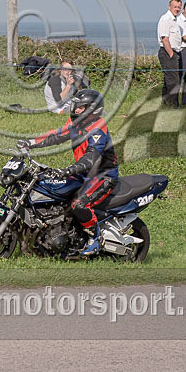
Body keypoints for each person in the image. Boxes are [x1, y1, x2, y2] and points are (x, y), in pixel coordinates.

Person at [17, 90, 118, 255]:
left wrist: (68, 170)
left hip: (102, 177)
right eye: (75, 106)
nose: (76, 109)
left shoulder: (98, 129)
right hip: (83, 174)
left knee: (78, 204)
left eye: (80, 107)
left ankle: (96, 239)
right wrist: (30, 143)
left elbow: (91, 158)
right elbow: (55, 136)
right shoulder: (76, 124)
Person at [157, 0, 183, 107]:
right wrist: (171, 55)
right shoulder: (166, 19)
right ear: (169, 7)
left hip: (175, 52)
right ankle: (174, 105)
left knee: (169, 79)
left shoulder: (174, 20)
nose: (177, 9)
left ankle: (165, 103)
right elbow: (165, 39)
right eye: (175, 7)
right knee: (173, 81)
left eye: (178, 7)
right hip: (168, 52)